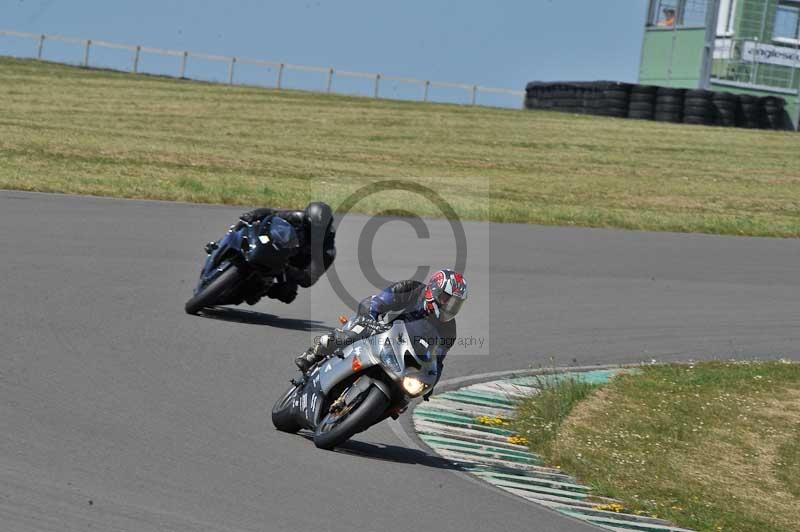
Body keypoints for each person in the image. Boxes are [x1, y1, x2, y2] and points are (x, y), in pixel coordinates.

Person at [294, 269, 468, 398]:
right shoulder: (411, 289)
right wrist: (371, 318)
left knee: (403, 397)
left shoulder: (448, 330)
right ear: (434, 290)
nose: (449, 306)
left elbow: (437, 361)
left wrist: (430, 384)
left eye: (455, 304)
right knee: (353, 333)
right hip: (379, 330)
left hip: (404, 354)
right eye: (447, 299)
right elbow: (377, 303)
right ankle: (314, 354)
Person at [207, 202, 336, 304]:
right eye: (311, 228)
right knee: (245, 225)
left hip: (290, 267)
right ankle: (219, 243)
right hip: (275, 247)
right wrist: (254, 214)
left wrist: (291, 270)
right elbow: (271, 215)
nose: (315, 233)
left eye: (320, 230)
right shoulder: (298, 217)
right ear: (307, 221)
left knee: (287, 294)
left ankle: (261, 290)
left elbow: (309, 279)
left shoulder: (327, 251)